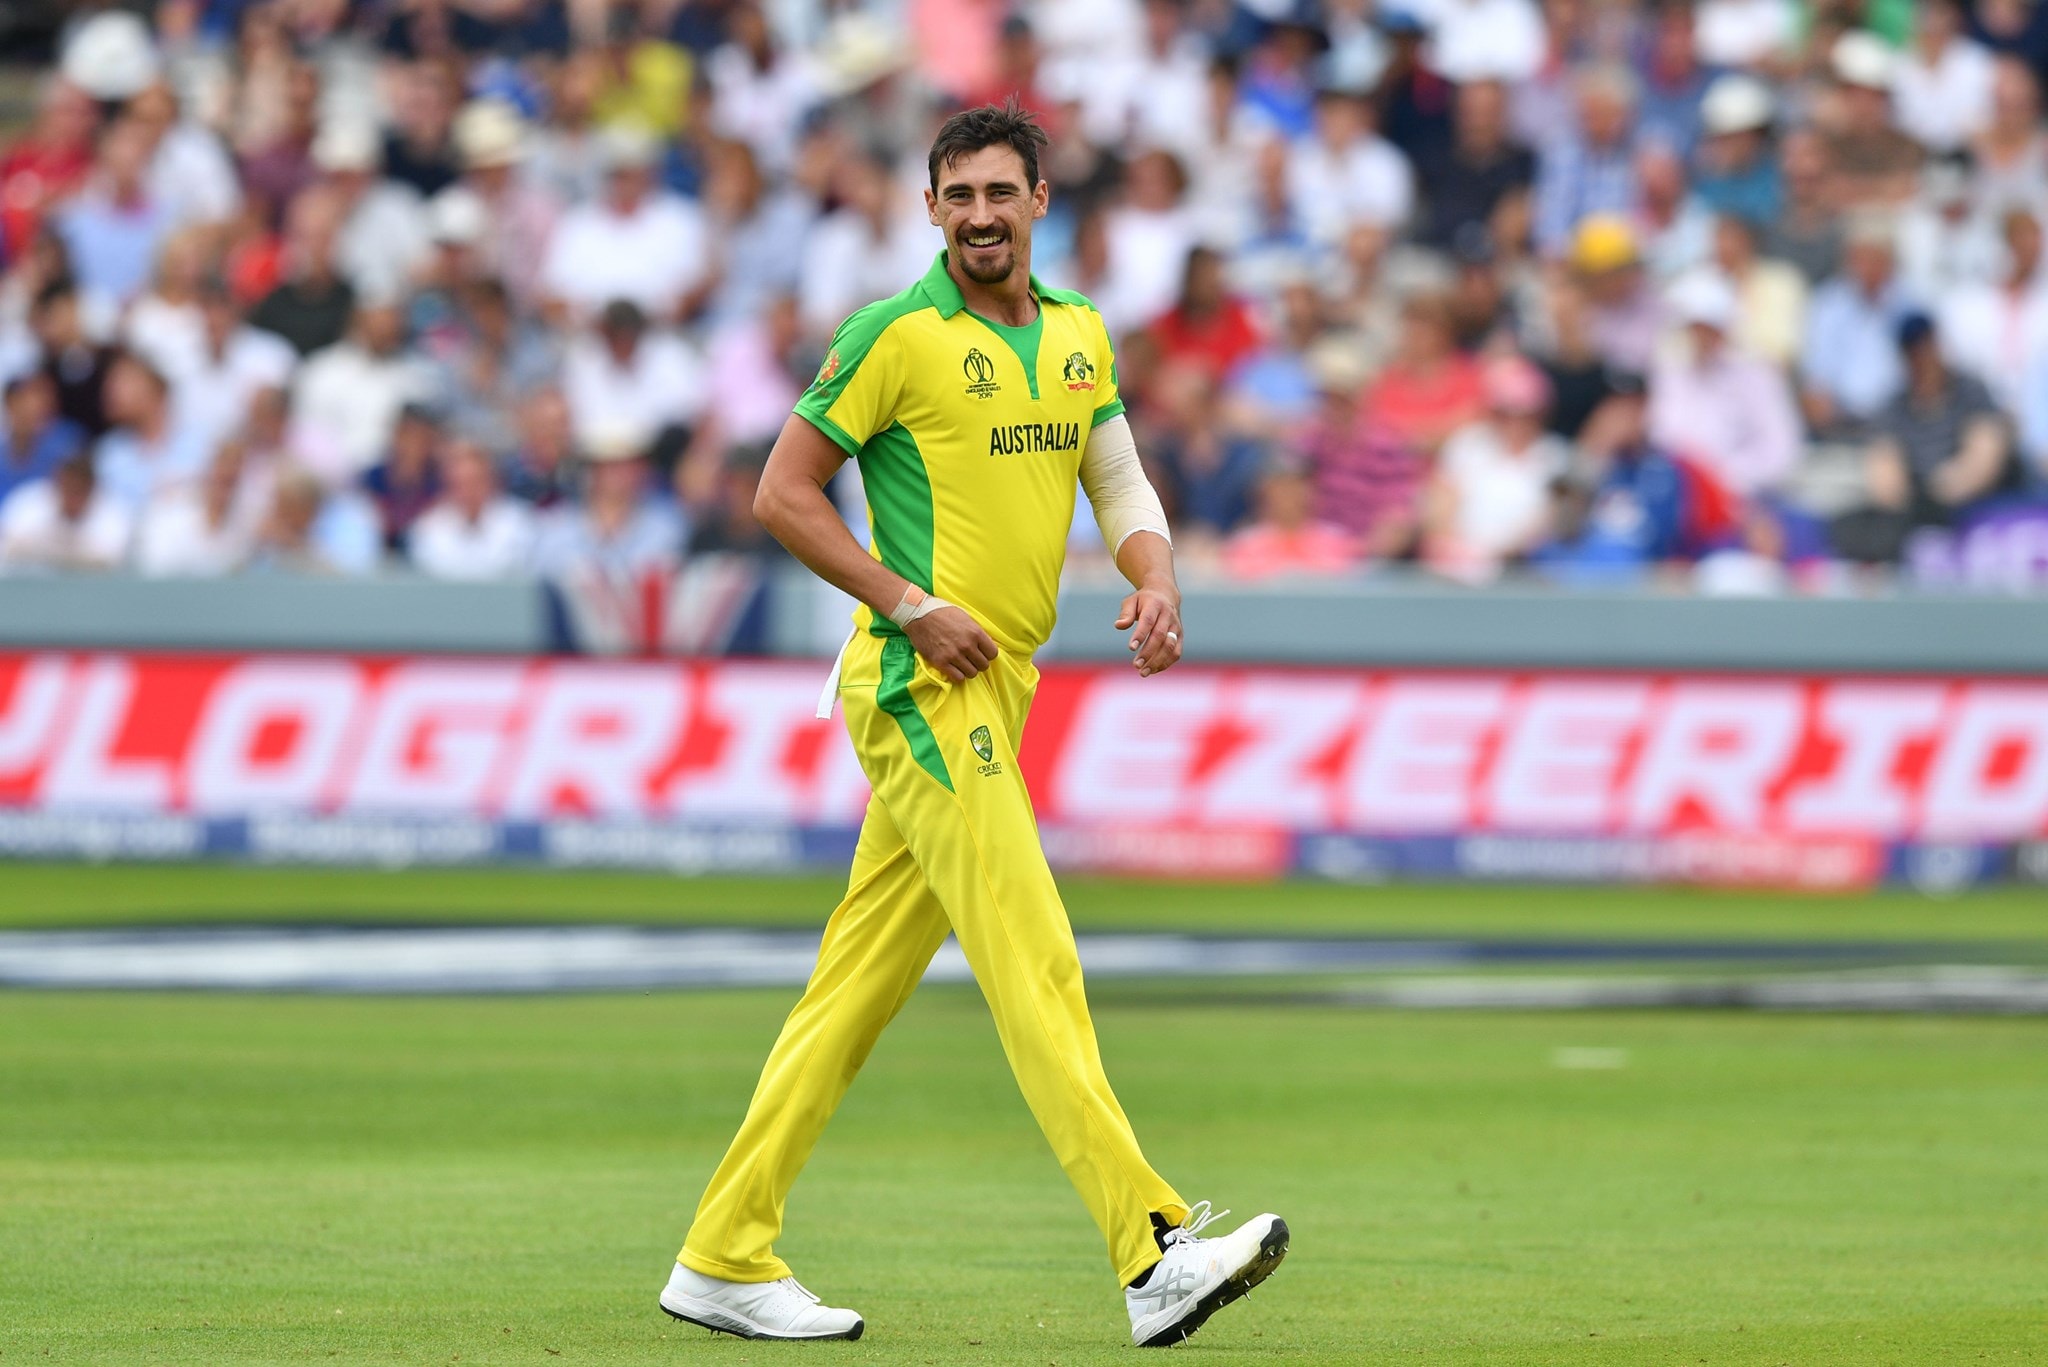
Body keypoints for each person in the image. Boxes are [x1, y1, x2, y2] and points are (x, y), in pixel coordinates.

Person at [662, 101, 1286, 1349]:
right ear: (931, 208)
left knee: (851, 991)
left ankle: (721, 1253)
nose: (981, 215)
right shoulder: (891, 334)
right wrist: (908, 603)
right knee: (1030, 949)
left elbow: (1116, 477)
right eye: (959, 196)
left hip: (999, 684)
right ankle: (1150, 1246)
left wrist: (1156, 577)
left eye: (1001, 192)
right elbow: (781, 493)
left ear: (1039, 200)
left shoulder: (1077, 332)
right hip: (919, 681)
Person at [408, 439, 536, 579]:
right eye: (459, 484)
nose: (468, 492)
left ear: (493, 481)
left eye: (475, 482)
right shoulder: (427, 527)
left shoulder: (522, 521)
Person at [0, 452, 132, 572]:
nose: (71, 497)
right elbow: (9, 547)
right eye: (67, 488)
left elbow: (108, 560)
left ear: (92, 489)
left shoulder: (112, 514)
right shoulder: (28, 503)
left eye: (78, 490)